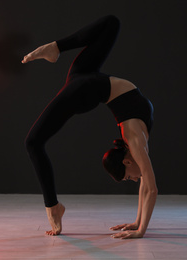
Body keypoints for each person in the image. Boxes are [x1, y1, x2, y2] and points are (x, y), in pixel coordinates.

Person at [22, 15, 157, 239]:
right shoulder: (135, 141)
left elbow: (145, 186)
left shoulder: (135, 145)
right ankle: (52, 206)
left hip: (86, 79)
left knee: (112, 23)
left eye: (129, 178)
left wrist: (137, 221)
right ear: (126, 161)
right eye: (128, 178)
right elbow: (151, 189)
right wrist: (141, 230)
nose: (134, 180)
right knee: (33, 142)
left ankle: (56, 47)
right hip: (85, 87)